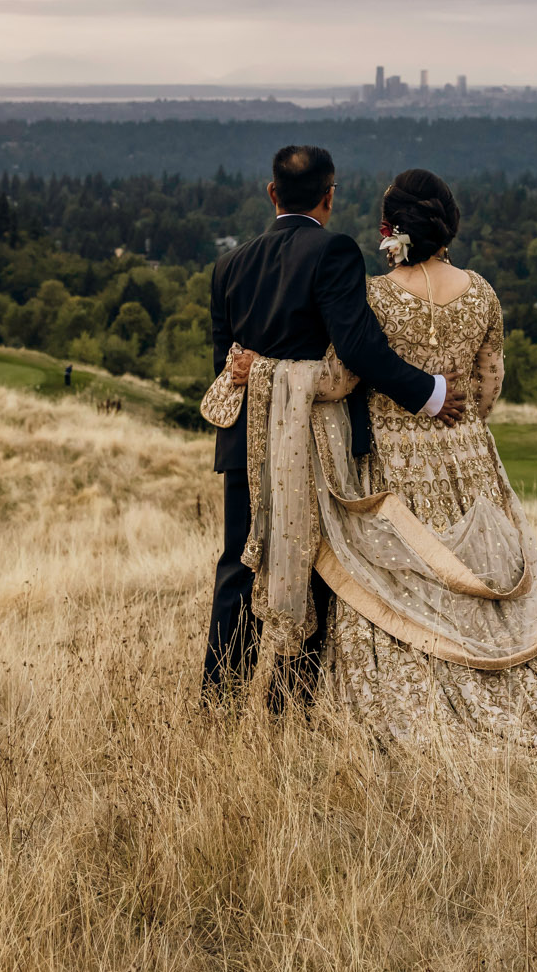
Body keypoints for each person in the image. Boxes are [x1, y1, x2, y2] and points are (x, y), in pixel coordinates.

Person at [208, 168, 537, 758]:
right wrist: (457, 416)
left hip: (396, 457)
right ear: (446, 225)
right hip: (468, 456)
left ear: (391, 231)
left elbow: (336, 379)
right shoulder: (481, 291)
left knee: (405, 573)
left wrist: (260, 370)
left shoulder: (376, 295)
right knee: (469, 568)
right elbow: (488, 387)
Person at [204, 146, 466, 707]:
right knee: (316, 565)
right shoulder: (334, 253)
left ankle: (219, 702)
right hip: (308, 446)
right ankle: (290, 701)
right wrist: (430, 393)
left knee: (239, 566)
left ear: (273, 193)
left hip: (244, 443)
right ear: (329, 195)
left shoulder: (227, 266)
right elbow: (359, 349)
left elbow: (225, 367)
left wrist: (264, 375)